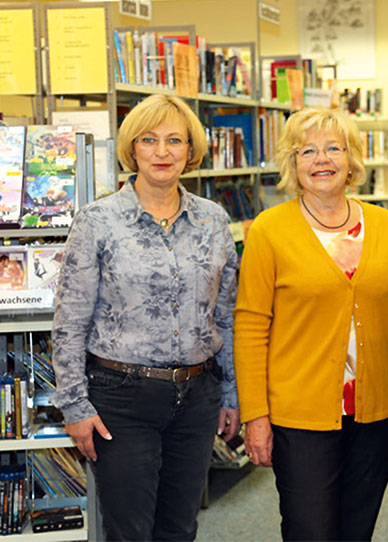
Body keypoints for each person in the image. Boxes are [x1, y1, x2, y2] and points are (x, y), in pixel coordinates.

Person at [52, 94, 240, 541]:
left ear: (190, 150)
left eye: (175, 140)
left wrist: (230, 392)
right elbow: (69, 321)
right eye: (149, 140)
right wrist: (74, 405)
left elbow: (228, 315)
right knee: (130, 531)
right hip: (120, 399)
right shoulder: (97, 221)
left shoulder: (213, 220)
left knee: (180, 528)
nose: (162, 152)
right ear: (131, 149)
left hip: (197, 397)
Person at [234, 107, 388, 541]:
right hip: (300, 413)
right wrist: (255, 415)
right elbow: (251, 325)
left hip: (374, 412)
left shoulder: (387, 227)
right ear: (292, 163)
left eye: (335, 148)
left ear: (352, 159)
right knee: (309, 530)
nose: (322, 159)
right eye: (307, 150)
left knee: (358, 528)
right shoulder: (269, 230)